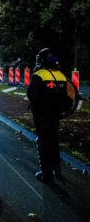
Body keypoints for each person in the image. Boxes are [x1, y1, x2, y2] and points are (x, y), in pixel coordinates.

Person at [27, 48, 72, 183]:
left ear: (41, 60)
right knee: (53, 141)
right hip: (56, 115)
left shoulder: (39, 75)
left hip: (42, 115)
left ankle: (46, 175)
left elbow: (31, 95)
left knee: (42, 142)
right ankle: (57, 170)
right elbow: (69, 96)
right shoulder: (61, 75)